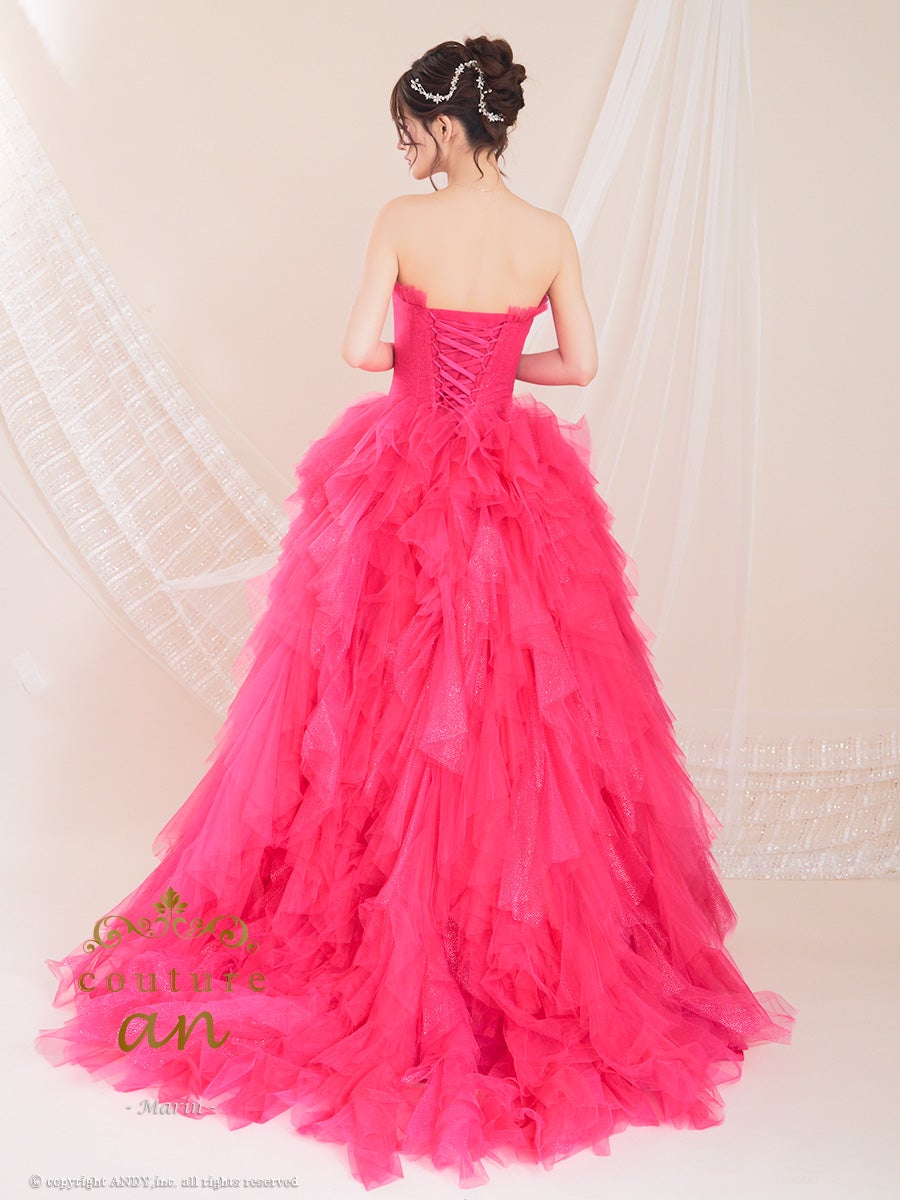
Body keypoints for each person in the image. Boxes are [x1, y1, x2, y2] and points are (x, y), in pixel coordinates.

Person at [35, 35, 796, 1191]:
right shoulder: (547, 233)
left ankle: (400, 929)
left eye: (408, 128)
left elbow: (357, 349)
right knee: (514, 713)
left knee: (379, 700)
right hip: (515, 489)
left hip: (406, 477)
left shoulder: (404, 219)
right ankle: (499, 930)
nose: (403, 148)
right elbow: (579, 365)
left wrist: (421, 355)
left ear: (446, 126)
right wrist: (497, 367)